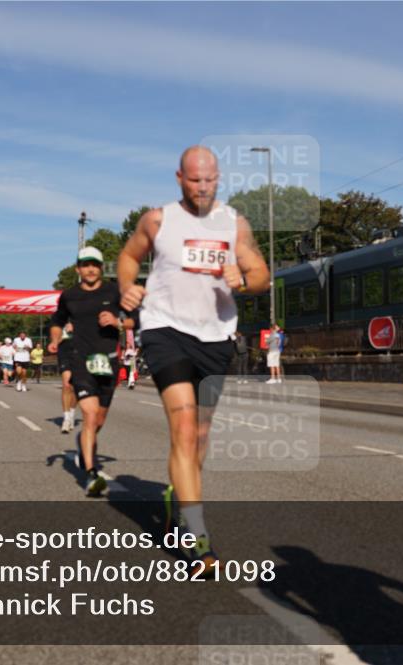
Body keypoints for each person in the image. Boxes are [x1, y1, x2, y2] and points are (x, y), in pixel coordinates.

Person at [118, 145, 270, 573]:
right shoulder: (157, 220)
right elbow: (129, 257)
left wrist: (244, 278)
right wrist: (127, 289)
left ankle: (175, 497)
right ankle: (197, 537)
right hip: (165, 330)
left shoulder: (234, 223)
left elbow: (262, 276)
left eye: (210, 179)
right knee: (184, 428)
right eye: (194, 180)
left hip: (216, 336)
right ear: (179, 178)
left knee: (200, 437)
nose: (203, 187)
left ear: (218, 178)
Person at [49, 246, 134, 496]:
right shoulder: (69, 295)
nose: (90, 269)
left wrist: (118, 322)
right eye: (85, 264)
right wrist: (55, 339)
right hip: (81, 361)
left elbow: (136, 319)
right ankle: (91, 475)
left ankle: (81, 447)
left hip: (108, 362)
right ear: (78, 269)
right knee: (89, 414)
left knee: (98, 420)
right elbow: (57, 321)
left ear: (101, 268)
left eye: (95, 264)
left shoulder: (114, 291)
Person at [56, 323, 77, 433]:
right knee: (67, 385)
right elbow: (54, 342)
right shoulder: (60, 320)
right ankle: (66, 419)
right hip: (65, 355)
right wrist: (65, 333)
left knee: (76, 388)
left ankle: (72, 413)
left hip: (80, 355)